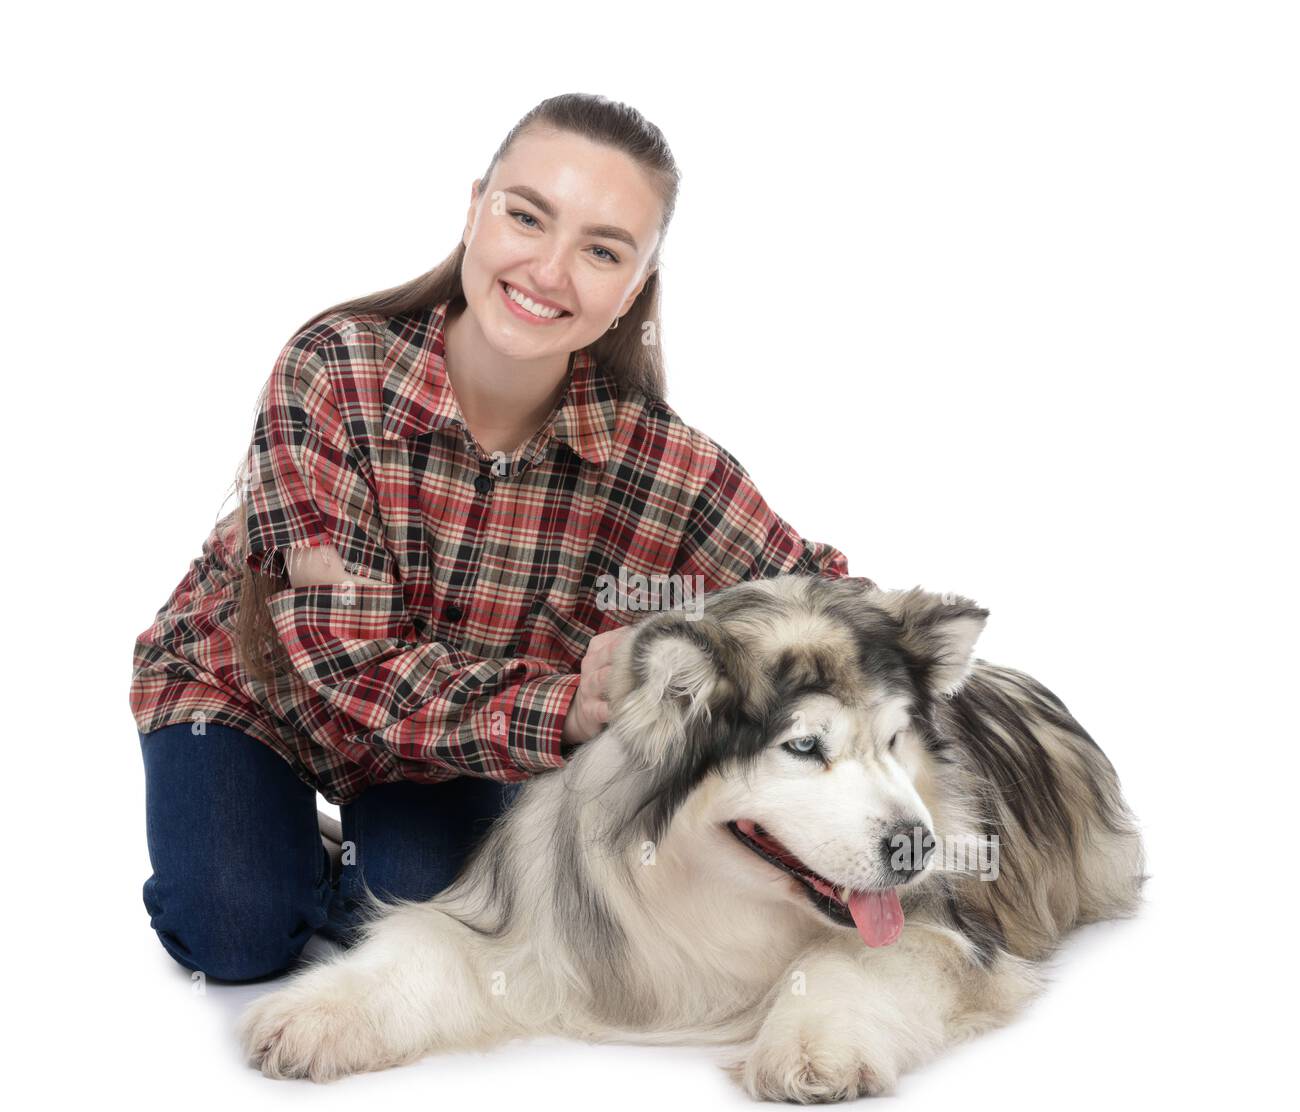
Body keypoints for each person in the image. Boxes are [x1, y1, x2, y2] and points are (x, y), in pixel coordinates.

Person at [129, 92, 851, 984]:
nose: (549, 271)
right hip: (251, 698)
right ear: (475, 209)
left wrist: (706, 651)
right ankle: (294, 859)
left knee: (428, 901)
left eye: (601, 250)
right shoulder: (332, 369)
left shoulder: (655, 459)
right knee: (238, 932)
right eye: (526, 216)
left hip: (440, 746)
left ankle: (368, 855)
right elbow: (341, 659)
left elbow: (819, 598)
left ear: (634, 287)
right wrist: (569, 710)